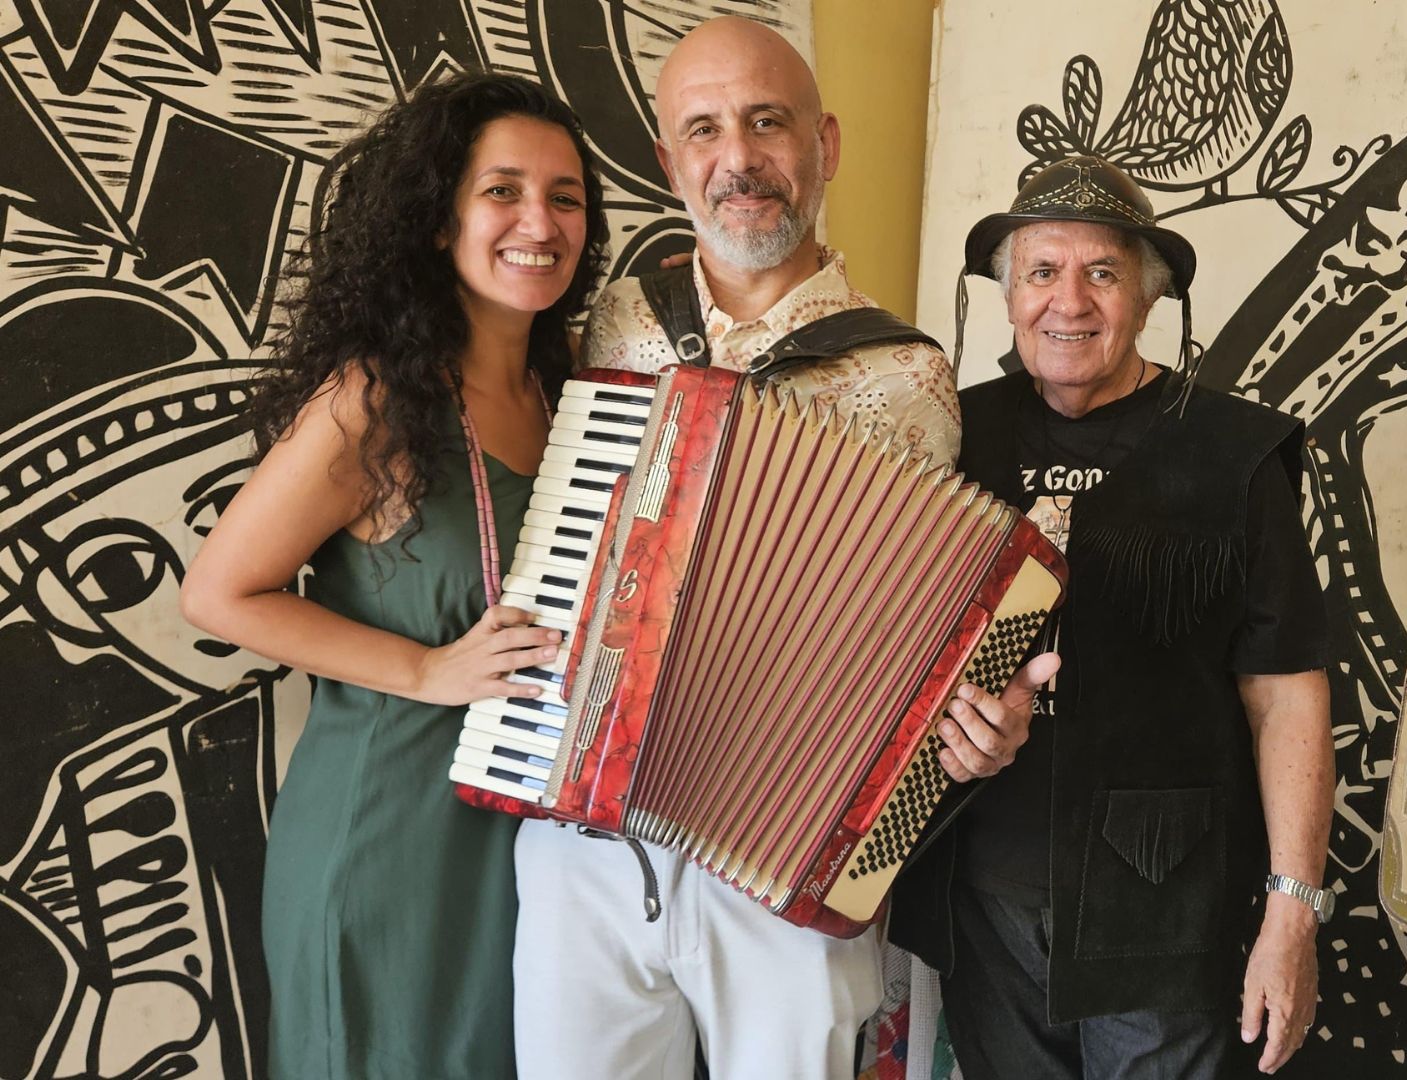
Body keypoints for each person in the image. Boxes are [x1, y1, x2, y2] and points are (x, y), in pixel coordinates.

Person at [509, 17, 1055, 1080]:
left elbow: (935, 635)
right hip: (583, 841)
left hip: (787, 866)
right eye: (704, 129)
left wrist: (981, 720)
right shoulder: (604, 323)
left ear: (825, 146)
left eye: (769, 122)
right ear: (669, 161)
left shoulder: (907, 375)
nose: (738, 158)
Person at [178, 74, 608, 1078]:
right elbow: (217, 593)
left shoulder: (575, 387)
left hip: (531, 856)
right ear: (438, 217)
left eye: (567, 197)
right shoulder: (373, 400)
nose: (539, 222)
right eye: (502, 190)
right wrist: (425, 672)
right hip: (390, 846)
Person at [889, 155, 1335, 1078]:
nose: (1070, 301)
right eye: (1041, 272)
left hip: (1165, 910)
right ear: (1008, 295)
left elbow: (1286, 697)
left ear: (1148, 294)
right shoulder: (950, 437)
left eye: (1102, 272)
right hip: (984, 901)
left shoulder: (1233, 454)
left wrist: (1292, 911)